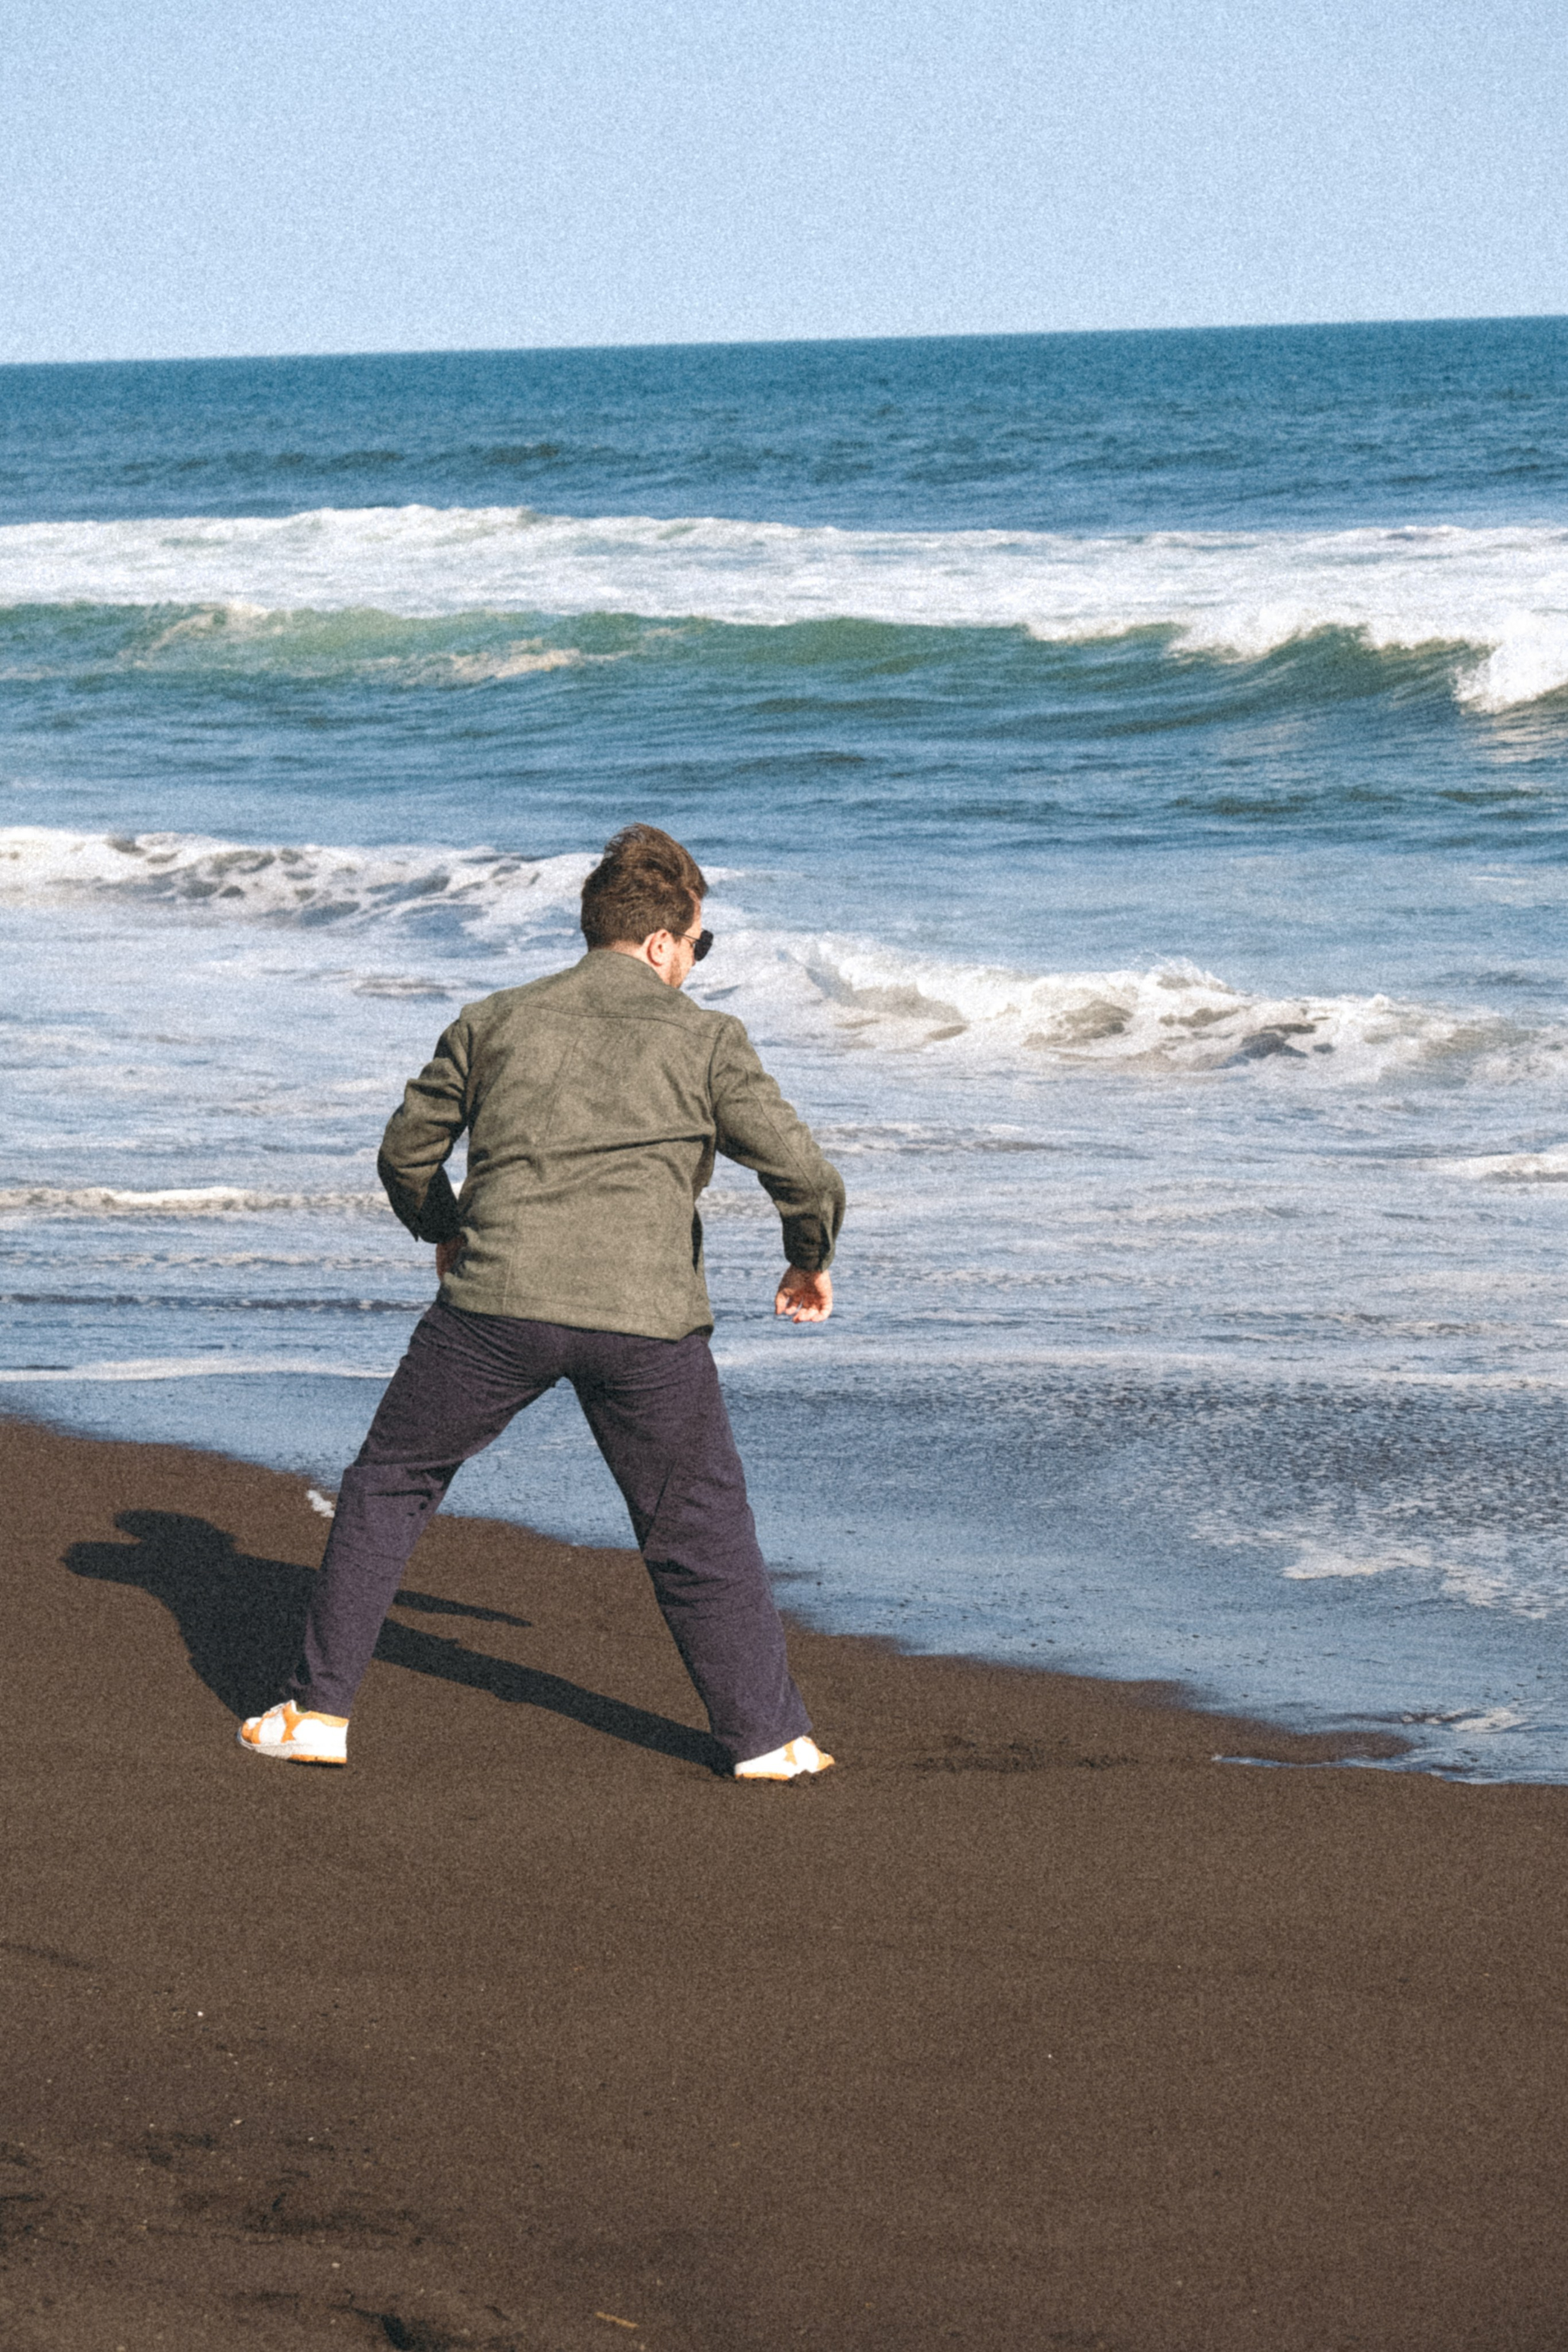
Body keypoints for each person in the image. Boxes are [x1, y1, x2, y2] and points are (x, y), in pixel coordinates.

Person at [239, 824, 845, 1780]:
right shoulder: (709, 1040)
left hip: (495, 1308)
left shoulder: (496, 1019)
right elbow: (805, 1175)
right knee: (697, 1522)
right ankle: (767, 1740)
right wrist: (807, 1260)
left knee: (392, 1482)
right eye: (700, 945)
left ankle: (318, 1713)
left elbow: (405, 1153)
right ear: (660, 944)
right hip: (646, 1321)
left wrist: (445, 1228)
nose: (696, 963)